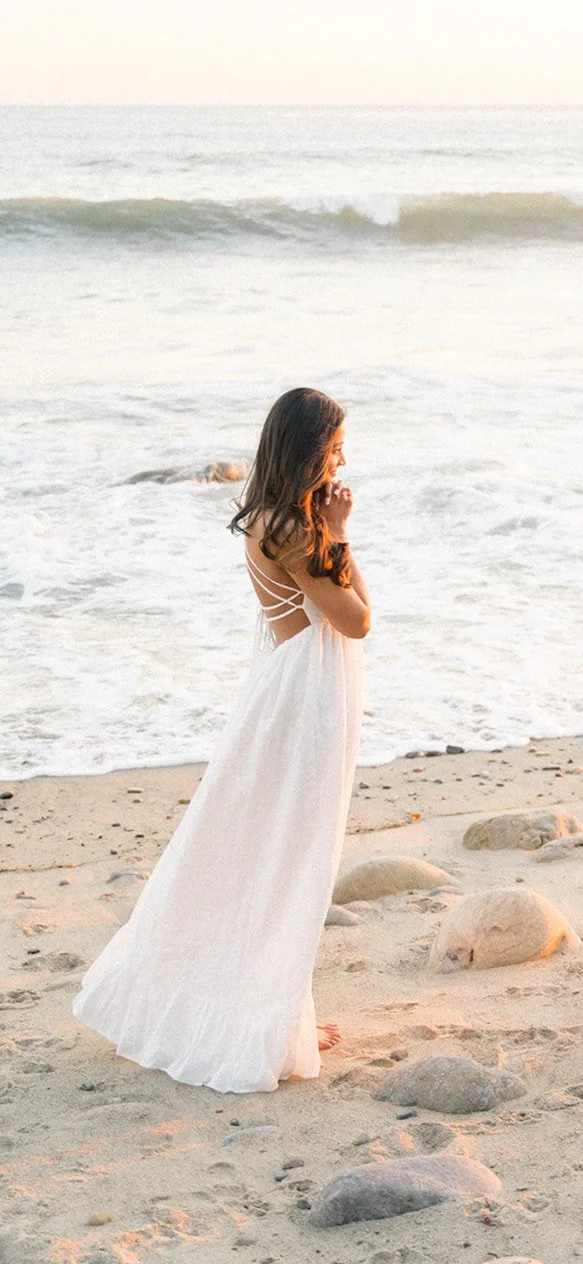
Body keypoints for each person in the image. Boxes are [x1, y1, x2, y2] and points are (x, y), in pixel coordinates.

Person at [74, 387, 371, 1092]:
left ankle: (275, 1012)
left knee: (269, 851)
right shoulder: (298, 532)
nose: (342, 459)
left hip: (290, 690)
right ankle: (263, 1023)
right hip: (305, 700)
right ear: (305, 451)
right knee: (290, 857)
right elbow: (357, 620)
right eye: (332, 448)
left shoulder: (268, 519)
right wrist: (342, 533)